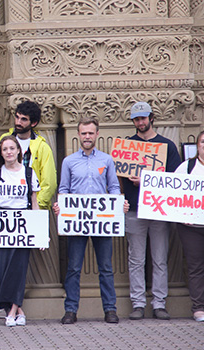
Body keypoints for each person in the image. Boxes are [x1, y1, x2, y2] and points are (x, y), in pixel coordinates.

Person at [53, 117, 129, 324]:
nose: (87, 136)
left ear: (97, 134)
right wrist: (60, 206)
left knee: (105, 267)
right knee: (74, 268)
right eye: (83, 133)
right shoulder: (69, 161)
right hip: (77, 221)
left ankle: (110, 310)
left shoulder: (106, 160)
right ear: (79, 135)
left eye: (90, 133)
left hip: (102, 220)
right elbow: (64, 189)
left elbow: (113, 187)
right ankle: (70, 310)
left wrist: (118, 204)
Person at [122, 102, 181, 321]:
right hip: (134, 210)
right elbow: (116, 177)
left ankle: (159, 304)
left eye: (143, 118)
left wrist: (145, 181)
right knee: (136, 259)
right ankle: (138, 304)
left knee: (159, 259)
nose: (140, 122)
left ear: (151, 118)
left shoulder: (167, 146)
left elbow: (175, 180)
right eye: (136, 119)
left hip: (159, 211)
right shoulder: (127, 146)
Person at [0, 135, 41, 327]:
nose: (9, 152)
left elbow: (34, 204)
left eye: (12, 148)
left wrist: (40, 235)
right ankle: (19, 312)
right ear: (1, 153)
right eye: (5, 149)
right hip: (2, 225)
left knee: (18, 269)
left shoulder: (29, 173)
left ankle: (12, 312)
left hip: (23, 225)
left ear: (18, 151)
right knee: (4, 269)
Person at [0, 101, 56, 210]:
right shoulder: (5, 139)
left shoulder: (42, 147)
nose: (18, 122)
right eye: (17, 117)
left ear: (33, 123)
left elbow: (49, 183)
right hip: (5, 205)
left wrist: (36, 206)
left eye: (23, 119)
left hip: (30, 207)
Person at [174, 129, 204, 322]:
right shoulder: (186, 167)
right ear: (197, 145)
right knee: (196, 267)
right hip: (192, 227)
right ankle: (199, 307)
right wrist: (181, 214)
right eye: (203, 141)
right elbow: (173, 196)